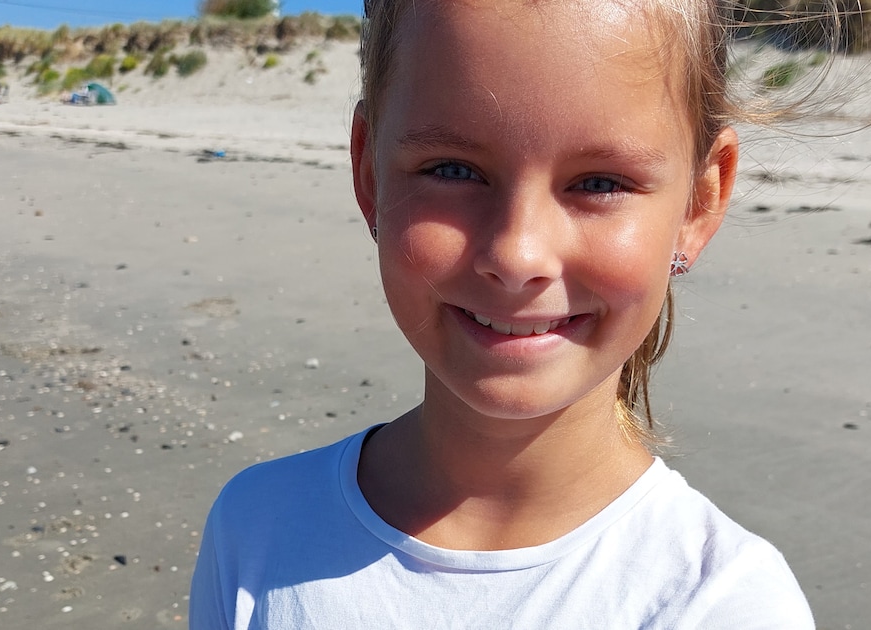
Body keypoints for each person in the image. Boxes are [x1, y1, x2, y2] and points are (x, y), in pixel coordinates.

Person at [191, 0, 816, 627]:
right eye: (453, 170)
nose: (517, 256)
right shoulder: (257, 525)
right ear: (369, 172)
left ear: (699, 203)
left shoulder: (723, 603)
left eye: (600, 183)